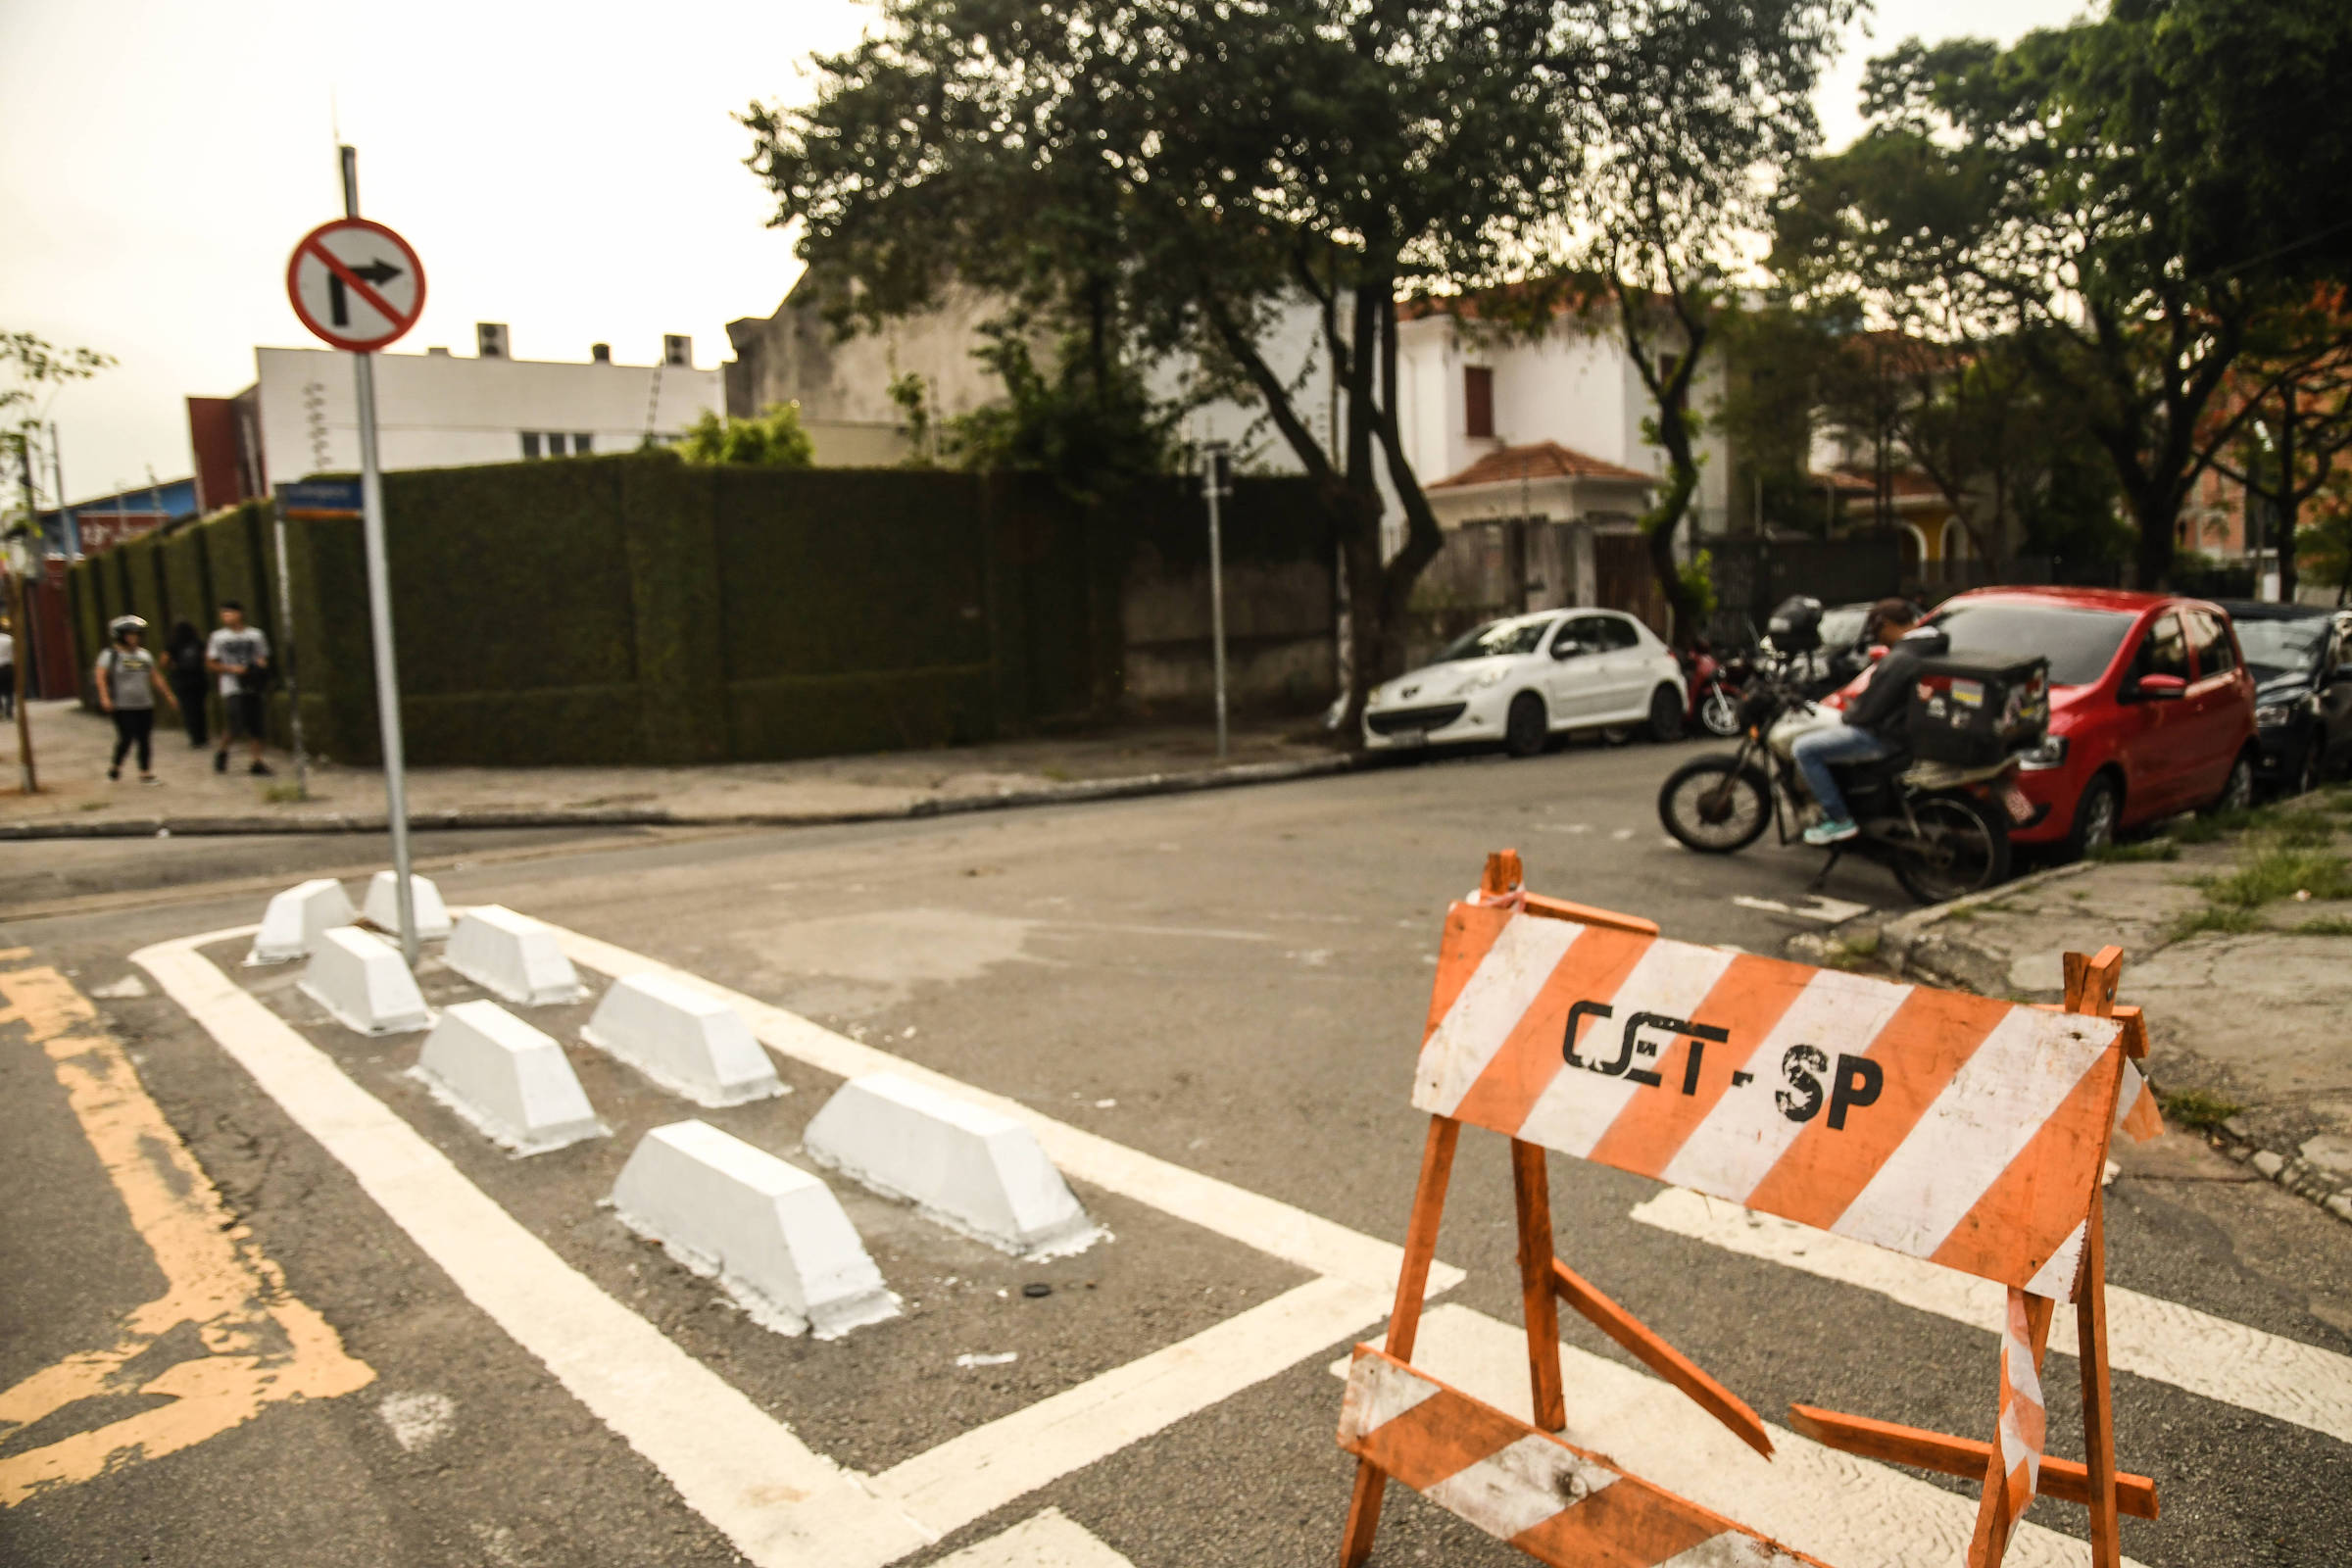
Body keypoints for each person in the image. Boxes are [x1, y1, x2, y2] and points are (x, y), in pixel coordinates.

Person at [1791, 610, 1946, 846]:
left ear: (1887, 624)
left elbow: (1868, 711)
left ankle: (1839, 818)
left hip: (1887, 737)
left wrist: (1850, 713)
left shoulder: (1900, 659)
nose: (1877, 638)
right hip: (1908, 730)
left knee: (1804, 748)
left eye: (1876, 632)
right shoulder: (1932, 646)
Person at [95, 615, 180, 784]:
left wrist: (169, 695)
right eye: (130, 634)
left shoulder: (144, 655)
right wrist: (105, 697)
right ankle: (116, 767)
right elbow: (101, 678)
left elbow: (155, 677)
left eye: (137, 634)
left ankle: (145, 772)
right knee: (126, 737)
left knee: (144, 737)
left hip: (144, 703)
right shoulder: (110, 655)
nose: (134, 638)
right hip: (122, 704)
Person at [206, 600, 273, 776]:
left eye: (229, 613)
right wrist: (231, 669)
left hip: (252, 684)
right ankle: (223, 750)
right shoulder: (218, 637)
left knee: (256, 723)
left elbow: (262, 657)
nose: (226, 617)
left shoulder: (255, 635)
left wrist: (257, 669)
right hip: (231, 685)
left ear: (239, 614)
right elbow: (211, 663)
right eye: (223, 614)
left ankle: (256, 760)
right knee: (235, 721)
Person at [167, 619, 210, 747]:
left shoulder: (173, 644)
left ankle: (194, 736)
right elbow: (206, 658)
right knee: (200, 708)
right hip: (199, 679)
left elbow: (164, 661)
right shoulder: (198, 643)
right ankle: (202, 735)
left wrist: (174, 667)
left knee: (188, 709)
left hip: (182, 681)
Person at [0, 617, 14, 721]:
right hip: (8, 667)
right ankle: (9, 713)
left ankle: (0, 712)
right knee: (9, 691)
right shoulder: (10, 639)